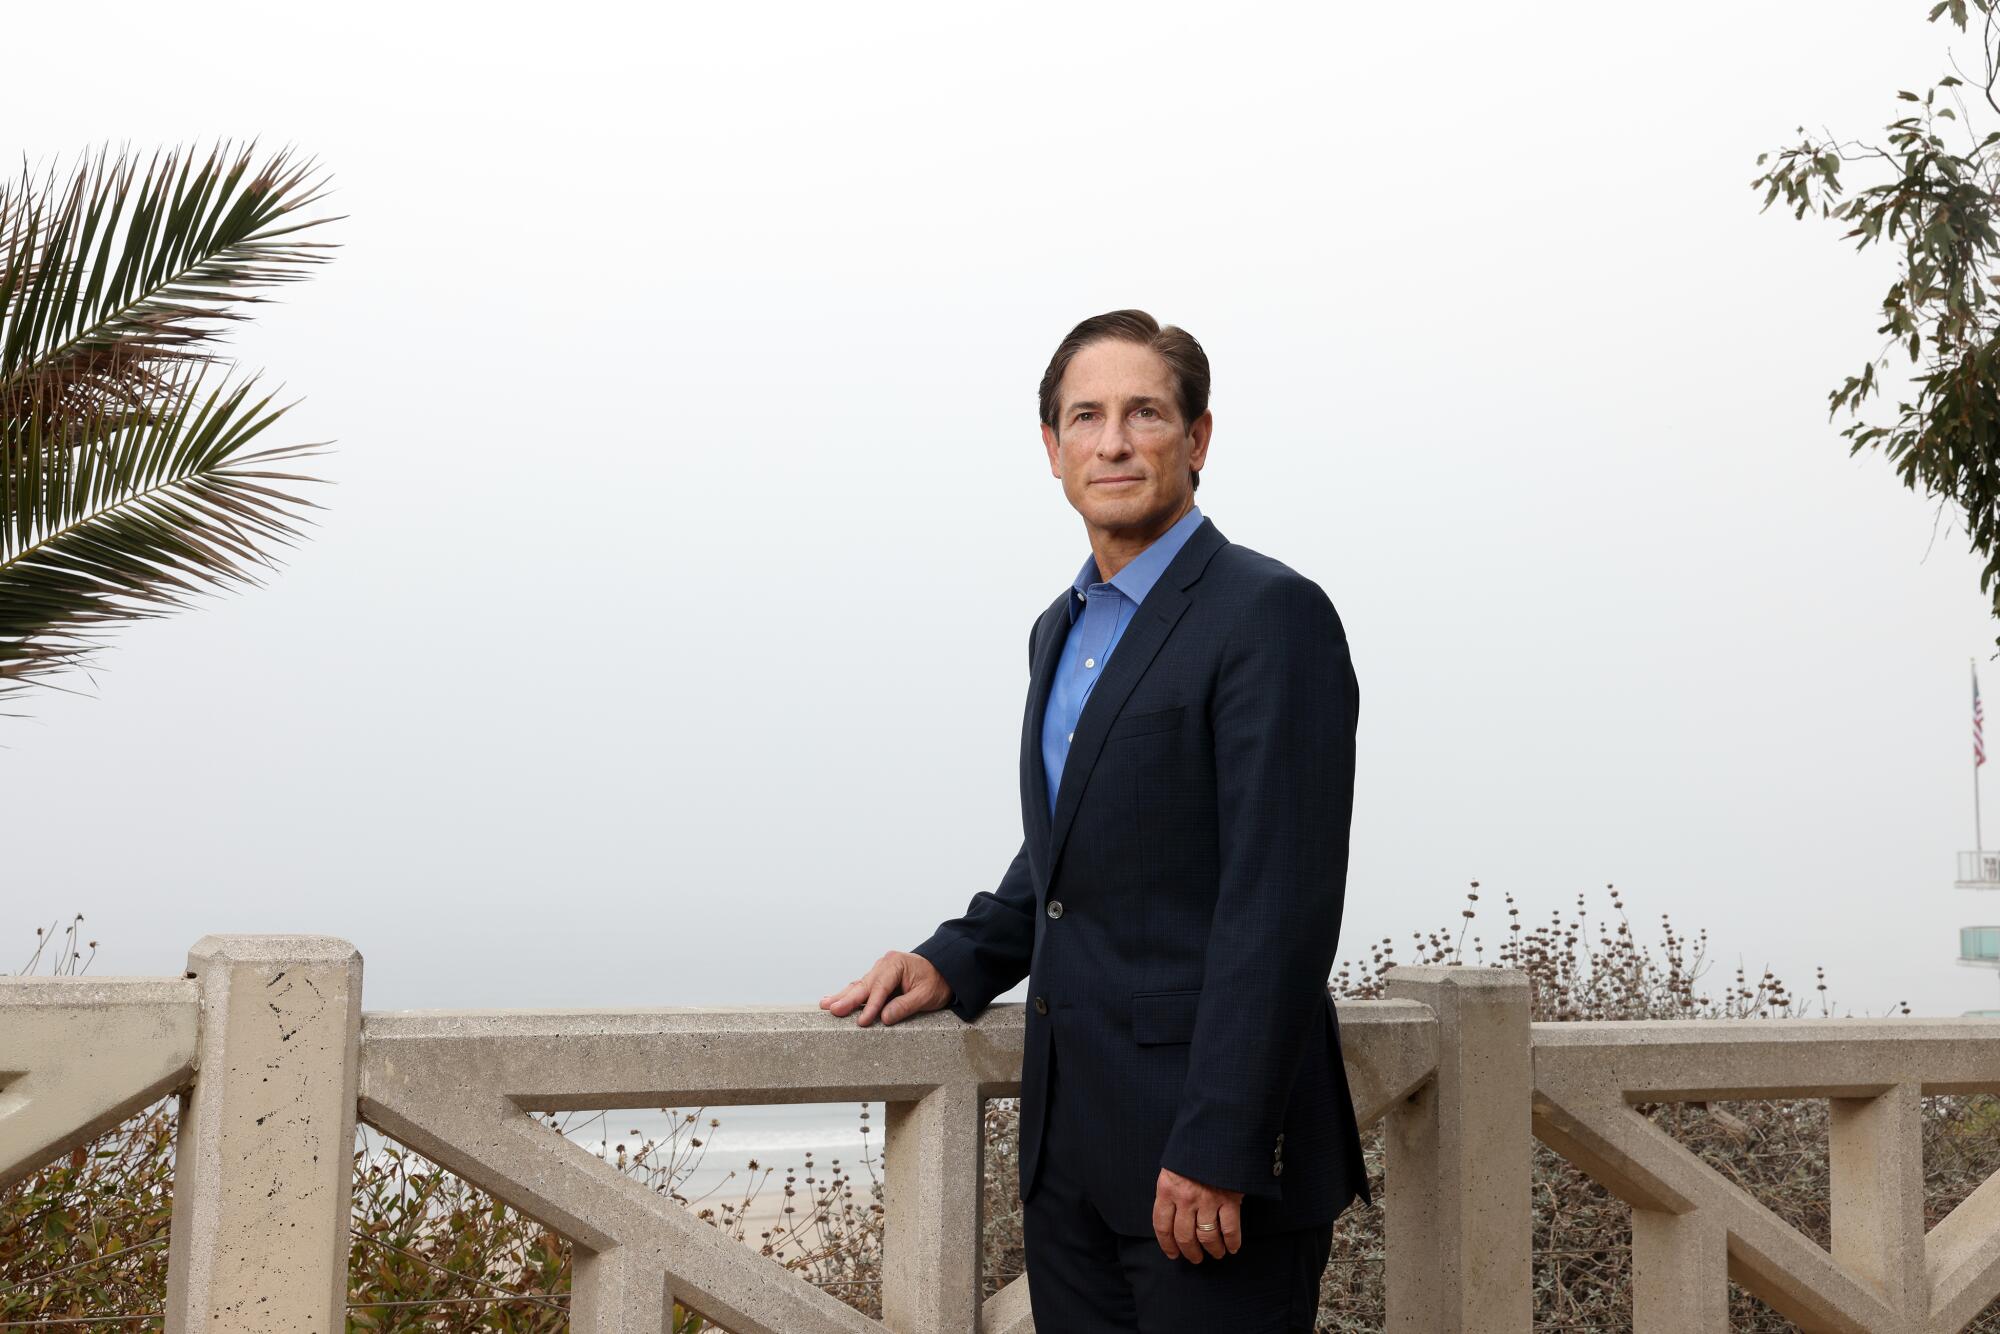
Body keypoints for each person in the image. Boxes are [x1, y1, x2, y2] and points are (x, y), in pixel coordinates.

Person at [818, 309, 1369, 1332]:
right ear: (1051, 448)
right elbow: (1070, 851)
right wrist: (959, 955)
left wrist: (1218, 1142)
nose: (1112, 441)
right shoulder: (1058, 629)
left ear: (1196, 438)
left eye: (1143, 412)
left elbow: (1278, 902)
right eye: (1085, 416)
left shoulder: (1267, 614)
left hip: (1208, 1174)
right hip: (1071, 1160)